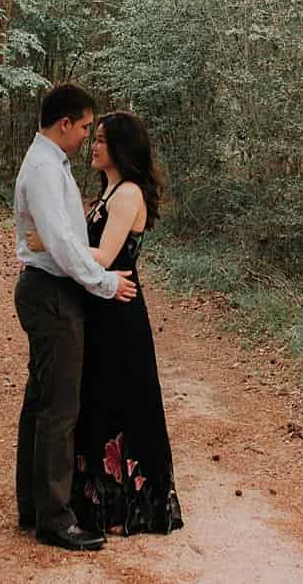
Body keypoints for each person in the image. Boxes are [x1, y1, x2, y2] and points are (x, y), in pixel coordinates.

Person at [14, 84, 136, 553]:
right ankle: (55, 520)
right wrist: (103, 283)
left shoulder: (51, 164)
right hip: (51, 294)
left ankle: (35, 506)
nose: (88, 135)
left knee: (42, 402)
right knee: (59, 409)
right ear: (64, 123)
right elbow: (63, 245)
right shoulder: (44, 169)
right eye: (85, 126)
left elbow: (63, 239)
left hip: (50, 289)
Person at [70, 111, 184, 536]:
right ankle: (102, 502)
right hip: (102, 305)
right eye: (94, 137)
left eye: (101, 139)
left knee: (122, 400)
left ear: (120, 147)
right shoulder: (109, 191)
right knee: (98, 398)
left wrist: (54, 246)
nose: (94, 146)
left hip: (120, 310)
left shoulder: (128, 193)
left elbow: (103, 256)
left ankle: (130, 507)